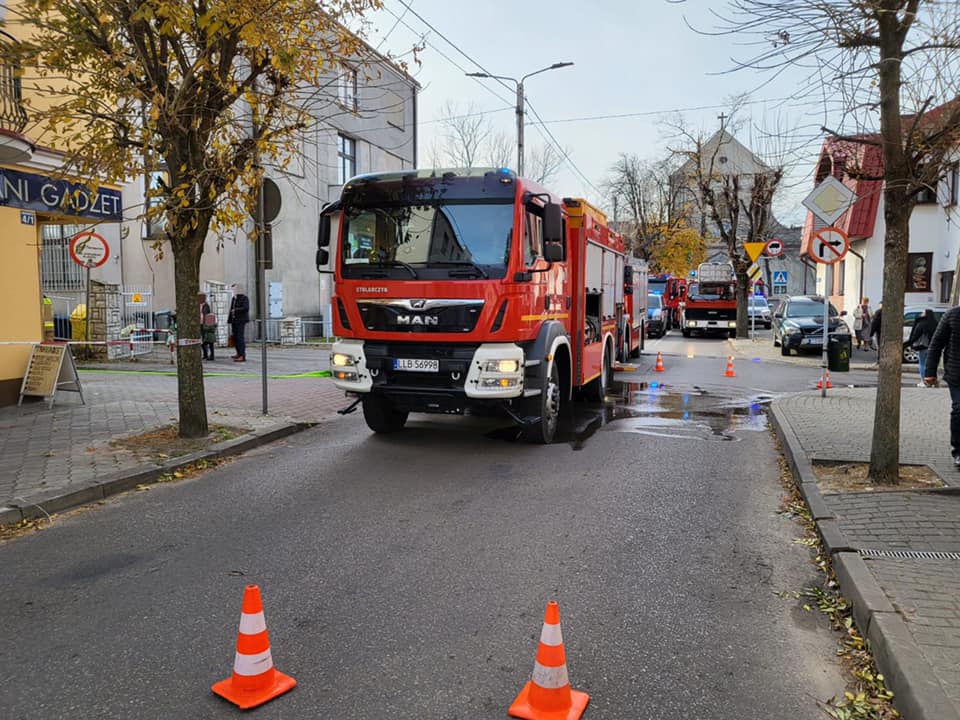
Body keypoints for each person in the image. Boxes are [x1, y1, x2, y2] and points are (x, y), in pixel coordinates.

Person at [923, 304, 960, 466]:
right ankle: (958, 451)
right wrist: (930, 372)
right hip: (957, 373)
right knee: (959, 409)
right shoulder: (953, 315)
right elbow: (936, 343)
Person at [907, 308, 938, 385]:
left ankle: (924, 381)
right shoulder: (935, 323)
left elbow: (916, 335)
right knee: (931, 365)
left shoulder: (921, 323)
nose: (921, 314)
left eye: (922, 312)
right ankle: (932, 381)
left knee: (922, 364)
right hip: (933, 347)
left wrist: (910, 342)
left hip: (923, 347)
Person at [228, 284, 250, 362]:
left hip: (241, 320)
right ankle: (238, 353)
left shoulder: (244, 298)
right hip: (234, 321)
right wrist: (229, 320)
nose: (233, 291)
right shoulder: (234, 299)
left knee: (240, 338)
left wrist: (236, 310)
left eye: (234, 290)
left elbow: (246, 308)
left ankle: (242, 355)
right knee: (235, 337)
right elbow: (231, 309)